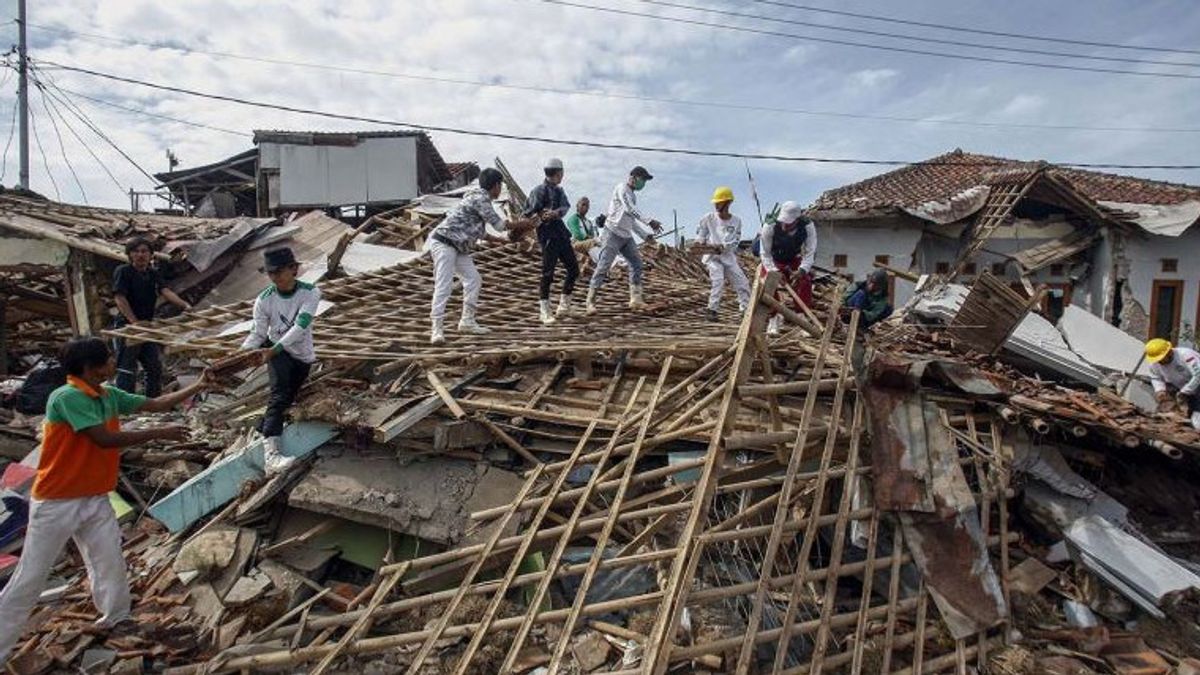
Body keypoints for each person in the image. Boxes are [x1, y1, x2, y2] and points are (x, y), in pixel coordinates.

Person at [0, 337, 209, 663]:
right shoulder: (66, 397)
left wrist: (198, 384)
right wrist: (158, 434)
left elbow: (157, 403)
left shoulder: (107, 395)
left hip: (94, 495)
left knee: (108, 559)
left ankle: (116, 617)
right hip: (57, 501)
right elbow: (104, 440)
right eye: (109, 358)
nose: (115, 362)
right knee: (31, 576)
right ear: (90, 367)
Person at [427, 168, 538, 344]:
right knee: (444, 285)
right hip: (445, 243)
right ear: (495, 185)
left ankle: (467, 321)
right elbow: (501, 225)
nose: (500, 189)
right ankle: (437, 330)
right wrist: (524, 223)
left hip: (459, 246)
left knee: (474, 279)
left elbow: (482, 234)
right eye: (500, 185)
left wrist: (502, 242)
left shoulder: (478, 200)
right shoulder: (480, 199)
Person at [240, 247, 321, 474]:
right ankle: (271, 457)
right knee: (279, 395)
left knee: (289, 397)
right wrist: (242, 353)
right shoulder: (264, 300)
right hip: (276, 350)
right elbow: (257, 333)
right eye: (271, 273)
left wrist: (275, 348)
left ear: (294, 269)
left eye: (279, 271)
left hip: (301, 353)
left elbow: (301, 325)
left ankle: (262, 428)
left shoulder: (310, 292)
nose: (275, 277)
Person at [112, 237, 191, 397]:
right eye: (136, 251)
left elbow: (165, 291)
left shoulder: (152, 274)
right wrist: (134, 322)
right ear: (130, 254)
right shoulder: (124, 271)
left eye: (144, 251)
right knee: (127, 369)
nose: (141, 255)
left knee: (154, 367)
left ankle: (153, 403)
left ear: (150, 255)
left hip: (147, 326)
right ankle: (125, 406)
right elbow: (120, 298)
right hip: (127, 327)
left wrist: (185, 305)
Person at [586, 166, 663, 314]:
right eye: (643, 180)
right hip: (612, 234)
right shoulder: (622, 189)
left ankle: (635, 299)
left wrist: (645, 235)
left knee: (636, 264)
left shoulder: (634, 196)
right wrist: (649, 221)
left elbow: (631, 221)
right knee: (604, 266)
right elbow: (628, 208)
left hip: (626, 237)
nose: (643, 184)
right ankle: (590, 301)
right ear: (633, 177)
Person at [525, 158, 578, 324]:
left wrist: (555, 213)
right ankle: (544, 311)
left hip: (561, 234)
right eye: (561, 173)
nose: (562, 176)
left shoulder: (559, 191)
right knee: (547, 273)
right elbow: (527, 213)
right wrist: (541, 215)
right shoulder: (538, 191)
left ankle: (564, 306)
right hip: (547, 235)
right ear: (557, 173)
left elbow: (565, 207)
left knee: (574, 269)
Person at [759, 201, 818, 335]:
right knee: (768, 282)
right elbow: (765, 253)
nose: (785, 225)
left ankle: (801, 318)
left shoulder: (808, 226)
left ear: (797, 220)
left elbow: (810, 252)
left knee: (805, 281)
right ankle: (774, 317)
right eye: (783, 222)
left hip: (793, 258)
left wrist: (802, 270)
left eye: (789, 223)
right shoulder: (770, 226)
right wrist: (774, 272)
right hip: (774, 259)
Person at [695, 186, 750, 321]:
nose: (716, 205)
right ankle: (712, 310)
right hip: (712, 258)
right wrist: (701, 244)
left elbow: (735, 242)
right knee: (718, 280)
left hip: (728, 257)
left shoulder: (736, 221)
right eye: (715, 202)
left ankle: (746, 310)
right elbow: (700, 238)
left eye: (719, 202)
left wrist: (723, 247)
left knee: (742, 282)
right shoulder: (708, 218)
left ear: (728, 203)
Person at [1145, 338, 1200, 430]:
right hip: (1187, 390)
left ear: (1169, 352)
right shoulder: (1155, 364)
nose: (1160, 362)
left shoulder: (1186, 355)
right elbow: (1156, 377)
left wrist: (1185, 391)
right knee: (1192, 415)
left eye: (1162, 358)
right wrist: (1160, 390)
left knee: (1197, 414)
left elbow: (1198, 375)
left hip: (1194, 386)